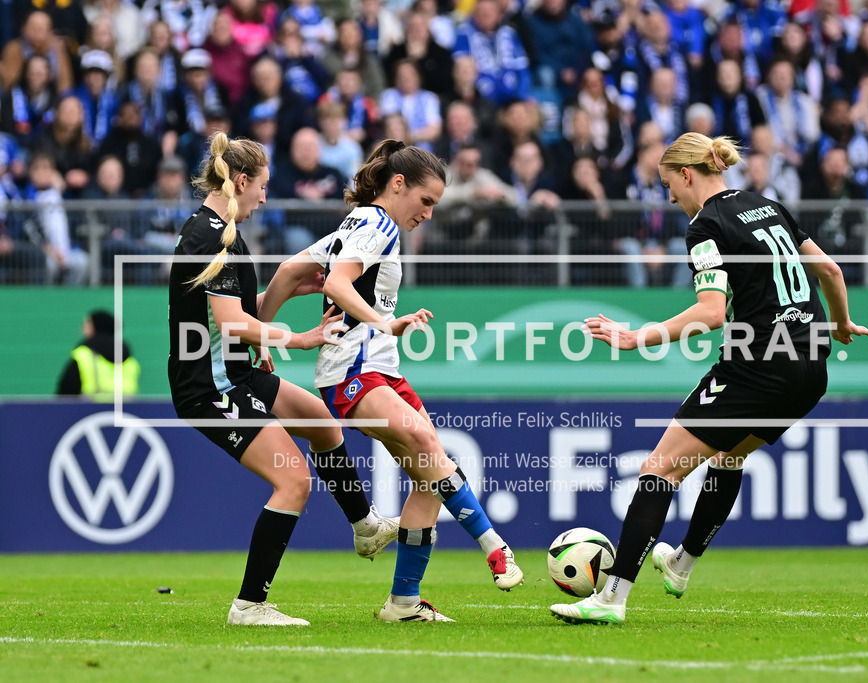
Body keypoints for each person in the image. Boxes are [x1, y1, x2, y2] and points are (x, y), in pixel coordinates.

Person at [550, 133, 868, 625]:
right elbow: (830, 270)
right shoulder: (770, 206)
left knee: (658, 471)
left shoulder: (707, 225)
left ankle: (610, 599)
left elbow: (711, 311)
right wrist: (841, 321)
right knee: (729, 456)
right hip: (811, 370)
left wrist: (638, 337)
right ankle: (681, 564)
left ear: (686, 174)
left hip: (759, 364)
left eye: (667, 185)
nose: (670, 198)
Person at [259, 139, 524, 623]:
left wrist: (258, 333)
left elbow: (288, 270)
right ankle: (495, 546)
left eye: (435, 206)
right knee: (426, 443)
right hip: (353, 371)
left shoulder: (359, 223)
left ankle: (403, 601)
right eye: (425, 201)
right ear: (398, 184)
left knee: (430, 472)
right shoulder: (376, 222)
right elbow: (337, 284)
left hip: (383, 368)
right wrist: (383, 323)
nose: (427, 213)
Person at [168, 131, 399, 627]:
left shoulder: (220, 230)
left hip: (235, 373)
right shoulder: (210, 236)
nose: (265, 198)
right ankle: (249, 606)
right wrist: (298, 338)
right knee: (293, 481)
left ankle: (365, 526)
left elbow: (228, 317)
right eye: (263, 187)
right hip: (210, 391)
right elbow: (231, 322)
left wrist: (275, 316)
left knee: (322, 422)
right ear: (243, 181)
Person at [57, 310, 141, 399]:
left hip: (87, 410)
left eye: (86, 323)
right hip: (127, 410)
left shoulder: (83, 355)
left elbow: (66, 392)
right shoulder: (130, 360)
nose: (82, 327)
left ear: (93, 327)